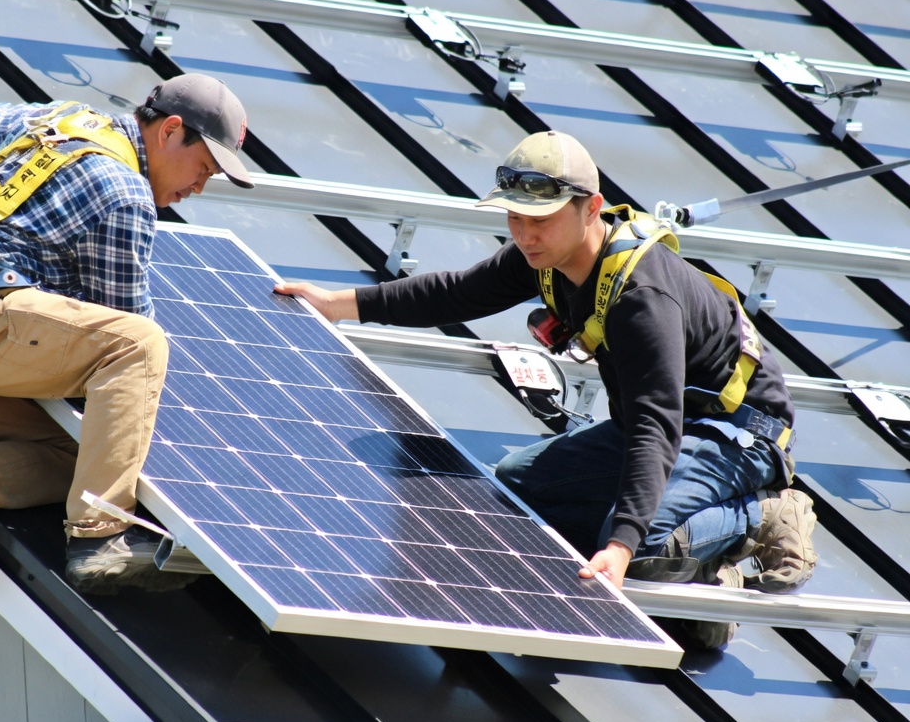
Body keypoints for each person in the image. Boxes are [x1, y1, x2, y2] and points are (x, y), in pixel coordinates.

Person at [276, 130, 817, 649]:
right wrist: (338, 303)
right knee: (519, 486)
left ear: (591, 207)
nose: (525, 235)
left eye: (540, 220)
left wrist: (621, 543)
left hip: (738, 435)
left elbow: (657, 424)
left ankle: (760, 516)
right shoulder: (545, 259)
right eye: (514, 217)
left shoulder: (643, 298)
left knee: (633, 543)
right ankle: (703, 573)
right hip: (664, 425)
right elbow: (457, 293)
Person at [0, 73, 254, 594]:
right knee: (139, 344)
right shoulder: (126, 196)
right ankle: (99, 540)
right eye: (204, 168)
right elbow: (124, 336)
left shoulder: (63, 120)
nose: (197, 188)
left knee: (93, 453)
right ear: (170, 131)